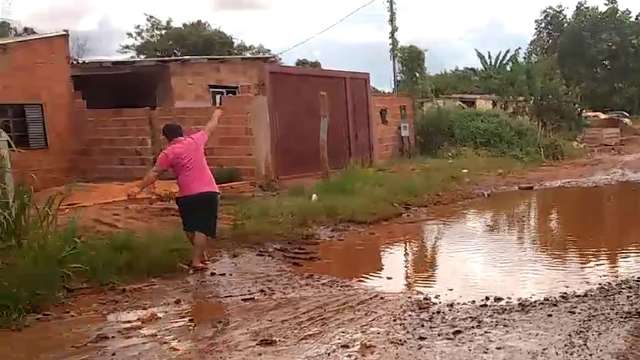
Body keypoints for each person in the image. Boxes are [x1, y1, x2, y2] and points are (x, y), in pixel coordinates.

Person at [128, 109, 223, 271]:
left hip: (186, 195)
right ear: (182, 132)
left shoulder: (168, 152)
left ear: (166, 137)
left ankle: (200, 256)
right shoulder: (195, 141)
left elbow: (155, 172)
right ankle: (196, 260)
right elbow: (210, 127)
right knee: (203, 228)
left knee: (190, 226)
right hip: (208, 191)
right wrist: (217, 114)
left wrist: (138, 188)